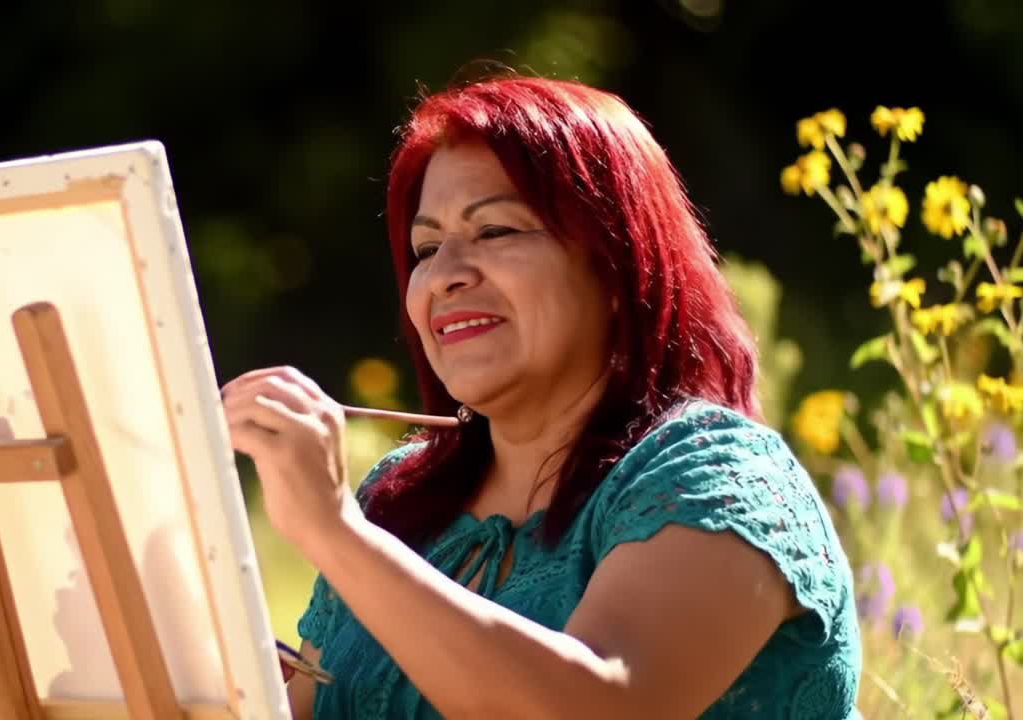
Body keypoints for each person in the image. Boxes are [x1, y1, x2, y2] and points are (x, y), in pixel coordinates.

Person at [221, 74, 861, 719]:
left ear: (617, 265)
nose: (444, 276)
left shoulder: (718, 479)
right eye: (427, 247)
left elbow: (604, 708)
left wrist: (335, 533)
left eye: (495, 231)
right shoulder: (400, 500)